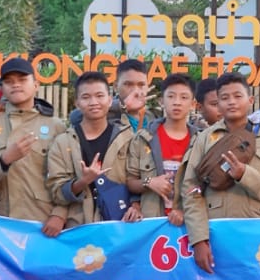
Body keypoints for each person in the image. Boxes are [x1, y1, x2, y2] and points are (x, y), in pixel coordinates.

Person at [179, 71, 260, 274]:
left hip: (258, 237)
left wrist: (244, 175)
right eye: (224, 98)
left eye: (238, 96)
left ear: (250, 100)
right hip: (216, 236)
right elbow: (191, 190)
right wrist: (199, 239)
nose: (231, 102)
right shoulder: (205, 139)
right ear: (218, 104)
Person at [0, 56, 68, 235]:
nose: (15, 85)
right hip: (1, 225)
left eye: (22, 80)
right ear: (2, 88)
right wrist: (4, 160)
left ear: (36, 85)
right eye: (9, 81)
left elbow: (68, 177)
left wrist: (59, 214)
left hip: (43, 224)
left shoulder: (56, 126)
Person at [48, 71, 135, 227]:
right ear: (77, 103)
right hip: (78, 227)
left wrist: (136, 205)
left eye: (99, 96)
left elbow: (136, 178)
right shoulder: (63, 142)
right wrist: (83, 181)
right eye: (86, 97)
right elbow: (57, 193)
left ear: (110, 100)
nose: (94, 102)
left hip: (120, 225)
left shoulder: (126, 138)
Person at [127, 73, 198, 221]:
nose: (177, 102)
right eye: (171, 96)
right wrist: (149, 182)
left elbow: (206, 186)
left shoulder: (201, 141)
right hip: (152, 221)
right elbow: (130, 182)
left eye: (184, 97)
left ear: (193, 104)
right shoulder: (143, 138)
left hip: (189, 223)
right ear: (161, 101)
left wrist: (185, 211)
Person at [114, 58, 151, 132]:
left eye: (141, 85)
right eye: (128, 84)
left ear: (148, 86)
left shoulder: (155, 117)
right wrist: (123, 107)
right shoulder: (104, 117)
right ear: (116, 87)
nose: (135, 91)